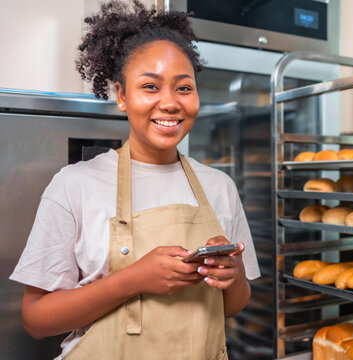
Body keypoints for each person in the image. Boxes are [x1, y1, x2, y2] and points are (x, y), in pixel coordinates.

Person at [9, 1, 260, 359]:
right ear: (122, 96)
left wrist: (231, 275)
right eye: (150, 87)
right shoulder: (74, 185)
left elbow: (234, 305)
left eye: (184, 88)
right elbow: (36, 319)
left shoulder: (219, 187)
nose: (170, 102)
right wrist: (134, 279)